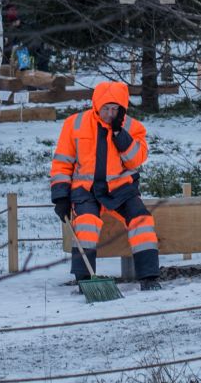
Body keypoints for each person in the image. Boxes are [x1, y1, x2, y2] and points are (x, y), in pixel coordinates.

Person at [48, 80, 162, 290]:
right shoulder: (75, 124)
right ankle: (84, 280)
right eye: (106, 108)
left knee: (142, 220)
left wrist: (120, 134)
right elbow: (62, 162)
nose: (110, 113)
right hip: (86, 190)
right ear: (96, 106)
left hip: (121, 189)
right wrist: (61, 196)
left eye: (115, 109)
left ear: (122, 108)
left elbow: (136, 160)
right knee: (86, 223)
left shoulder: (132, 127)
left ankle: (149, 277)